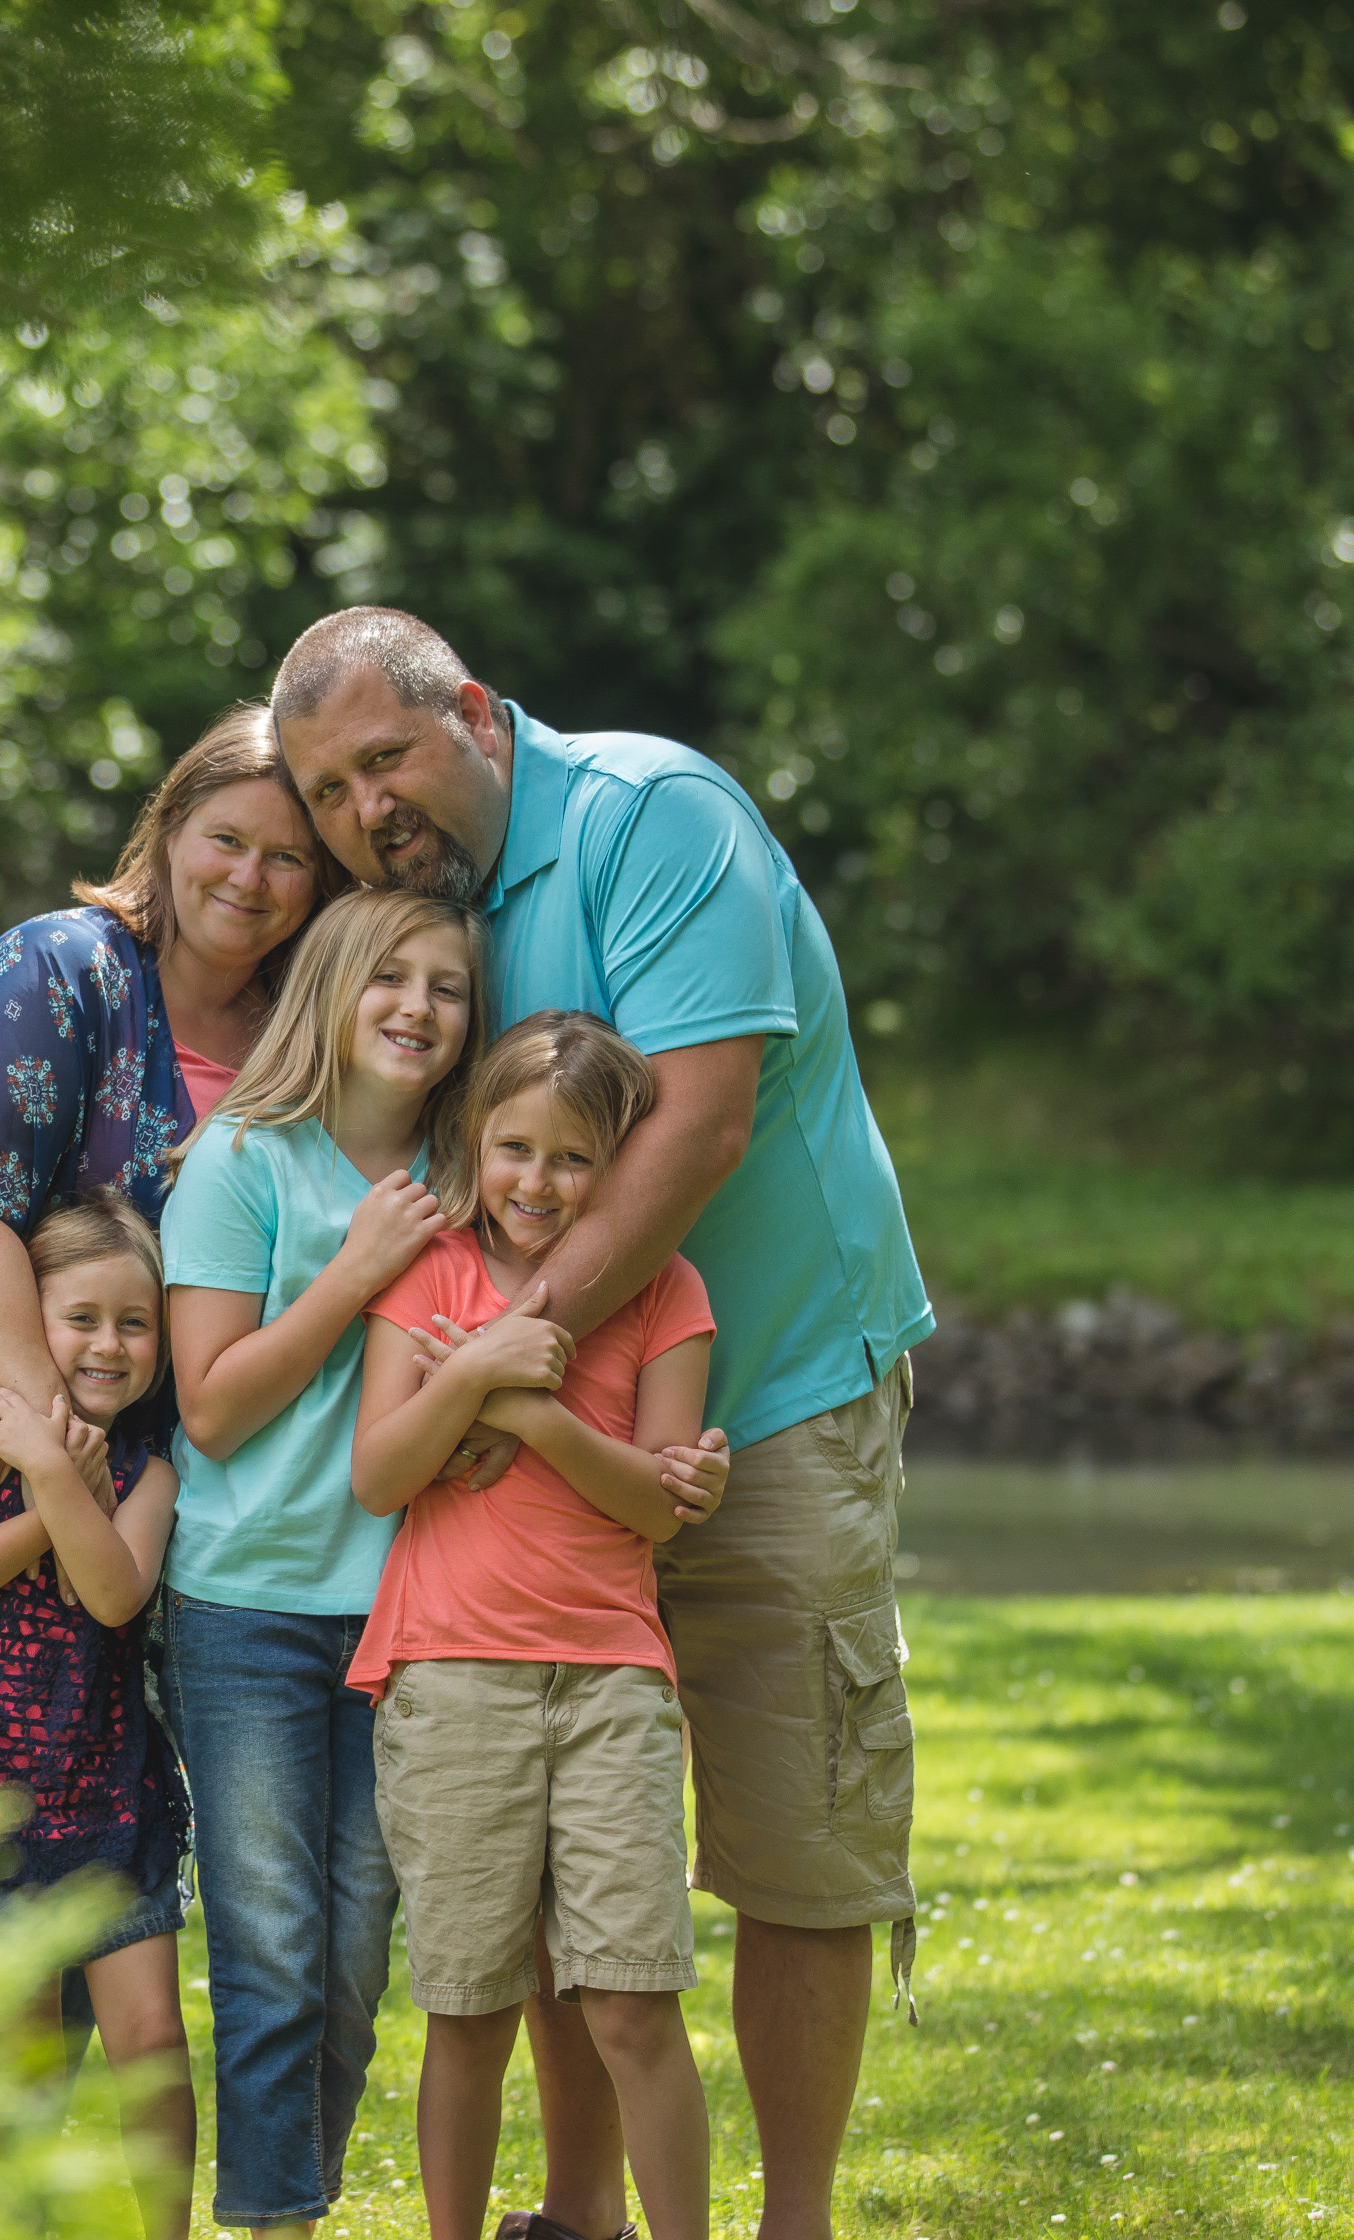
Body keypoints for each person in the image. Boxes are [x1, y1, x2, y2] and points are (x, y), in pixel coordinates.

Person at [271, 607, 935, 2240]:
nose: (364, 810)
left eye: (384, 760)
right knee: (570, 1856)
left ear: (477, 718)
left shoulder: (656, 818)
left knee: (791, 1844)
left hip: (767, 1396)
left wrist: (503, 1354)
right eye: (329, 791)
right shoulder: (429, 913)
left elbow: (698, 1125)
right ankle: (576, 2222)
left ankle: (790, 2225)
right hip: (539, 1457)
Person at [0, 704, 343, 1800]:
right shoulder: (59, 968)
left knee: (86, 1843)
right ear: (170, 829)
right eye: (227, 839)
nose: (251, 877)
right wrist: (62, 1449)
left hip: (136, 1495)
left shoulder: (297, 1031)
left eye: (289, 857)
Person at [347, 1013, 728, 2240]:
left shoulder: (666, 1287)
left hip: (612, 1678)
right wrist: (470, 1373)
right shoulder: (434, 1276)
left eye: (574, 1157)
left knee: (630, 2002)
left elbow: (657, 1505)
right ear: (476, 1136)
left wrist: (540, 1412)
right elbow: (380, 1473)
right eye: (515, 1147)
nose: (537, 1182)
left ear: (619, 1163)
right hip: (451, 1674)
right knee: (468, 2008)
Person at [153, 886, 482, 2232]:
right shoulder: (243, 1159)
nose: (416, 1007)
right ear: (333, 994)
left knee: (354, 1951)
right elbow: (214, 1407)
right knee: (272, 1948)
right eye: (388, 978)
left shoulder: (470, 1181)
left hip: (405, 1606)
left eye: (448, 987)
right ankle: (276, 2223)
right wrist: (353, 1275)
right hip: (247, 1608)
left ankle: (295, 2199)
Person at [0, 1190, 195, 2240]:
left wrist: (64, 1478)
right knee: (19, 2052)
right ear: (35, 1320)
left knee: (151, 2036)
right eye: (83, 1317)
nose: (109, 1343)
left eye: (135, 1322)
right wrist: (54, 1476)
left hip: (110, 1793)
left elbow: (112, 1593)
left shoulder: (150, 1475)